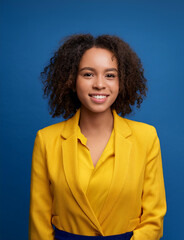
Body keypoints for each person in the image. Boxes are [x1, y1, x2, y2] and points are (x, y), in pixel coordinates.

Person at [29, 34, 166, 240]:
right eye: (88, 74)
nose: (100, 84)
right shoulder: (46, 140)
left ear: (123, 82)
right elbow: (39, 221)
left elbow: (154, 218)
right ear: (71, 81)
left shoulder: (146, 137)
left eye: (110, 75)